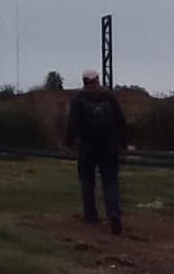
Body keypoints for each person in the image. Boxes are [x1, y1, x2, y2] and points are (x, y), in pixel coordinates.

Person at [65, 70, 126, 235]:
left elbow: (72, 124)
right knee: (110, 181)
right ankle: (113, 212)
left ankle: (90, 214)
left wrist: (68, 143)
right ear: (97, 80)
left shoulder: (79, 99)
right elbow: (120, 119)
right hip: (109, 146)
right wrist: (123, 142)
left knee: (87, 180)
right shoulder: (109, 96)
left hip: (87, 146)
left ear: (84, 81)